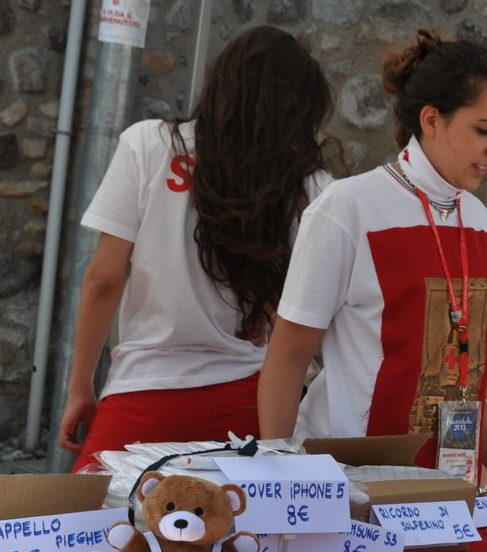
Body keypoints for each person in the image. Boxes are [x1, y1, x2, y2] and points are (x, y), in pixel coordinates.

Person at [258, 28, 487, 511]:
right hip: (348, 483)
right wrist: (277, 473)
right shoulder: (347, 207)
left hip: (444, 489)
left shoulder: (475, 217)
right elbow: (286, 358)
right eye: (485, 130)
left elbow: (465, 376)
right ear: (432, 119)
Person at [58, 26, 338, 470]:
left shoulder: (148, 144)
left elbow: (103, 280)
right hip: (252, 402)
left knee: (90, 528)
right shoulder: (314, 188)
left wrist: (80, 388)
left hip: (142, 394)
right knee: (240, 534)